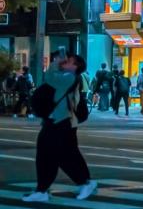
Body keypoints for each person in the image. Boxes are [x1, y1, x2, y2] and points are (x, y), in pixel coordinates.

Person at [25, 49, 97, 204]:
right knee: (50, 155)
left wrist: (56, 62)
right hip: (56, 122)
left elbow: (50, 77)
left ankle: (84, 182)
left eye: (69, 61)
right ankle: (42, 189)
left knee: (63, 156)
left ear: (76, 66)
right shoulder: (66, 76)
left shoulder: (70, 78)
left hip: (63, 123)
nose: (65, 62)